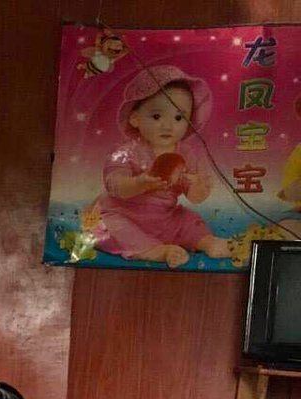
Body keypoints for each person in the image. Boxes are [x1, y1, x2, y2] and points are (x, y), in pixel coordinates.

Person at [90, 64, 230, 268]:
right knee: (102, 227)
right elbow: (115, 185)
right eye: (157, 116)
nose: (168, 125)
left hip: (165, 218)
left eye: (179, 117)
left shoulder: (186, 153)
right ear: (135, 118)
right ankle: (154, 250)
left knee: (189, 220)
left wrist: (197, 184)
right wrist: (138, 184)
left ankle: (207, 242)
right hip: (124, 216)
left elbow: (195, 198)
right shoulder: (126, 152)